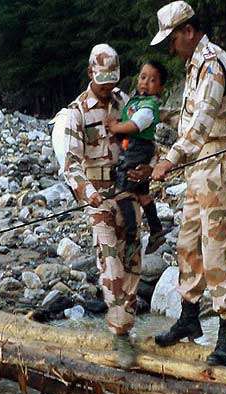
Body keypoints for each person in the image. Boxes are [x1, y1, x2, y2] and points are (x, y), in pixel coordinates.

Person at [147, 1, 226, 366]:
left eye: (171, 40)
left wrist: (170, 158)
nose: (170, 49)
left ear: (188, 31)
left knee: (216, 248)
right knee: (187, 243)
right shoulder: (193, 65)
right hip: (198, 165)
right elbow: (188, 118)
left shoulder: (213, 63)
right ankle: (189, 317)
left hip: (218, 163)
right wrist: (157, 114)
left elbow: (203, 122)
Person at [63, 44, 153, 353]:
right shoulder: (76, 112)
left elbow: (143, 139)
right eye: (103, 80)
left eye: (112, 79)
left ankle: (127, 324)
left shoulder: (125, 102)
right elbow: (70, 165)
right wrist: (87, 193)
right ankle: (120, 334)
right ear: (90, 73)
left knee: (132, 260)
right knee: (111, 265)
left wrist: (148, 167)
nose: (108, 86)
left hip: (127, 192)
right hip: (98, 199)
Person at [105, 60, 169, 259]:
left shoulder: (149, 107)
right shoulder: (135, 100)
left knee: (122, 189)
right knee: (142, 193)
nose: (145, 83)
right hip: (136, 147)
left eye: (152, 80)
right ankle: (156, 230)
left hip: (137, 148)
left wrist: (115, 127)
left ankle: (132, 234)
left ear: (160, 87)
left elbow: (134, 125)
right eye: (143, 77)